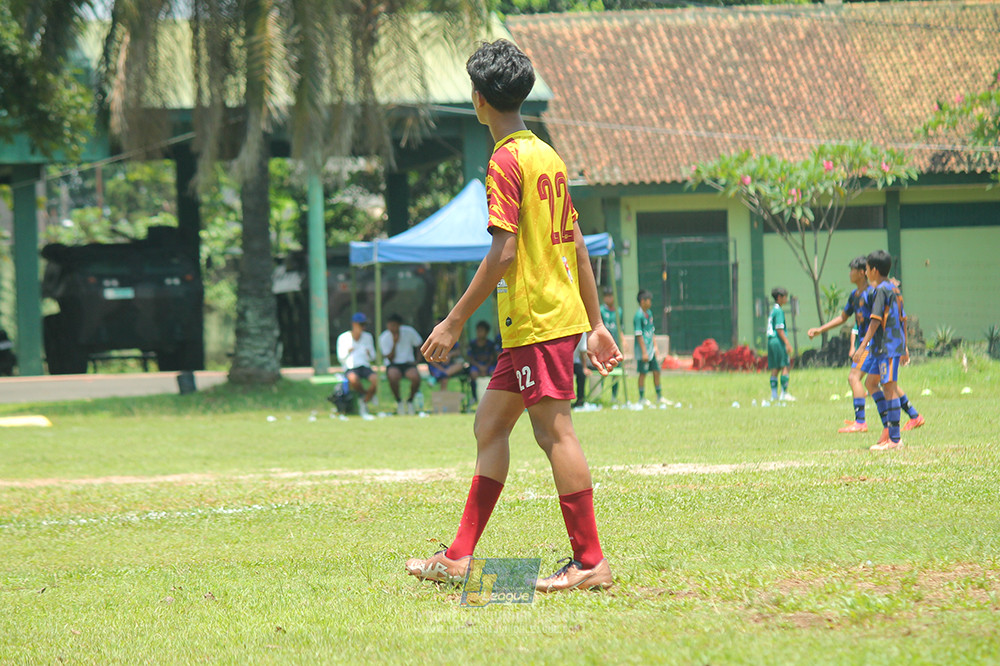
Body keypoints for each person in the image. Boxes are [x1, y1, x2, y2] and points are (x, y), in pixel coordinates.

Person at [405, 39, 622, 593]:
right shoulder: (547, 155)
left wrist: (453, 321)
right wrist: (595, 324)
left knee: (555, 434)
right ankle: (458, 557)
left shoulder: (505, 161)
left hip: (535, 321)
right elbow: (575, 245)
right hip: (541, 322)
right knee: (490, 425)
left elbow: (503, 252)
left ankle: (590, 562)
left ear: (478, 100)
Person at [807, 257, 870, 432]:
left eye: (852, 270)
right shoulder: (854, 295)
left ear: (862, 272)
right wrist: (821, 329)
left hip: (871, 344)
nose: (849, 273)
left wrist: (864, 345)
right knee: (875, 383)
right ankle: (912, 415)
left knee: (854, 378)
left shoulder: (871, 294)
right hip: (866, 344)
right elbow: (843, 317)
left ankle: (861, 422)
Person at [853, 250, 908, 450]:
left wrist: (861, 347)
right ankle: (887, 429)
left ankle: (894, 439)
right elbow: (903, 317)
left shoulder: (880, 291)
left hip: (887, 347)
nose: (866, 272)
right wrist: (906, 346)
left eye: (867, 269)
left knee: (890, 388)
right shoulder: (893, 288)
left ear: (874, 270)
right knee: (871, 382)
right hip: (886, 347)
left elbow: (875, 321)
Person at [379, 313, 424, 415]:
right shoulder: (384, 337)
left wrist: (417, 361)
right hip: (393, 364)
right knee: (393, 376)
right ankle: (399, 401)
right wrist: (394, 343)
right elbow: (390, 358)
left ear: (400, 325)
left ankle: (410, 400)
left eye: (394, 325)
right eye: (390, 325)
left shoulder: (409, 332)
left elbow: (419, 345)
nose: (392, 328)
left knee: (415, 377)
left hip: (408, 363)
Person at [336, 312, 378, 419]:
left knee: (375, 379)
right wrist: (348, 351)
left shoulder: (368, 337)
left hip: (364, 366)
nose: (363, 328)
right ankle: (365, 397)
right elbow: (340, 358)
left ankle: (364, 400)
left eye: (364, 325)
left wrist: (369, 354)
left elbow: (373, 357)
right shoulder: (343, 338)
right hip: (350, 366)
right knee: (353, 379)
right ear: (354, 324)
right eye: (361, 325)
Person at [634, 289, 667, 406]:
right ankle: (641, 398)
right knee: (642, 373)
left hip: (651, 350)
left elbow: (651, 331)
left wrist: (655, 347)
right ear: (642, 301)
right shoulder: (638, 316)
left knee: (656, 371)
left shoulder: (649, 313)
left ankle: (659, 396)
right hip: (644, 351)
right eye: (649, 300)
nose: (650, 303)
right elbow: (639, 335)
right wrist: (644, 352)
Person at [767, 287, 795, 401]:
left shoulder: (773, 310)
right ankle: (784, 393)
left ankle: (774, 395)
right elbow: (779, 329)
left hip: (770, 340)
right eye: (785, 297)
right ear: (779, 298)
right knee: (785, 366)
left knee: (775, 367)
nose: (786, 300)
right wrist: (787, 343)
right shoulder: (779, 311)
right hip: (778, 340)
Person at [599, 286, 624, 400]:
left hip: (615, 345)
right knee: (603, 370)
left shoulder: (619, 311)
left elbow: (620, 328)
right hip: (603, 346)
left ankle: (614, 396)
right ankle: (599, 396)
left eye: (611, 296)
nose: (609, 298)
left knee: (616, 370)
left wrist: (623, 340)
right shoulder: (601, 310)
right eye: (607, 296)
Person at [466, 320, 499, 404]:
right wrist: (479, 367)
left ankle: (493, 397)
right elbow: (470, 358)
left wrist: (486, 367)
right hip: (476, 365)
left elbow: (493, 357)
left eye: (481, 331)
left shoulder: (491, 344)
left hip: (488, 365)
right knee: (473, 373)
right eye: (478, 330)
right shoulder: (472, 344)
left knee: (494, 373)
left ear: (486, 332)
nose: (479, 333)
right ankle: (475, 397)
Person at [572, 332, 591, 409]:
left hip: (573, 361)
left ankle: (580, 400)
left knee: (581, 375)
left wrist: (584, 367)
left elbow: (582, 351)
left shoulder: (582, 333)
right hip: (561, 362)